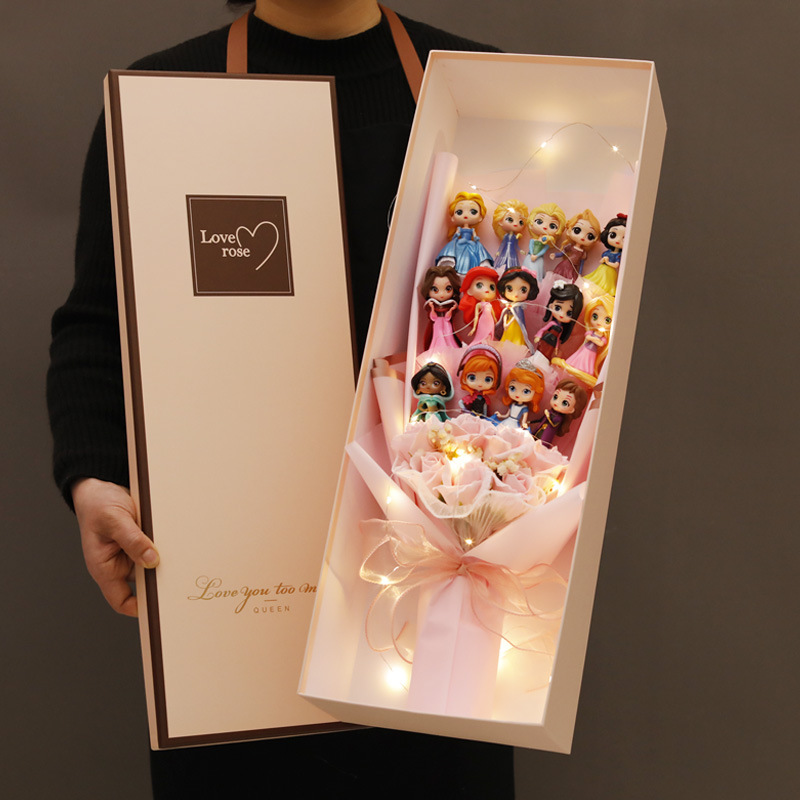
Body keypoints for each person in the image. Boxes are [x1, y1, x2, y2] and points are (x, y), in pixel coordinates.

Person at [47, 0, 514, 795]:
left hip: (440, 605)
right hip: (238, 610)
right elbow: (97, 326)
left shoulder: (481, 96)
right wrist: (93, 478)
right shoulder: (166, 97)